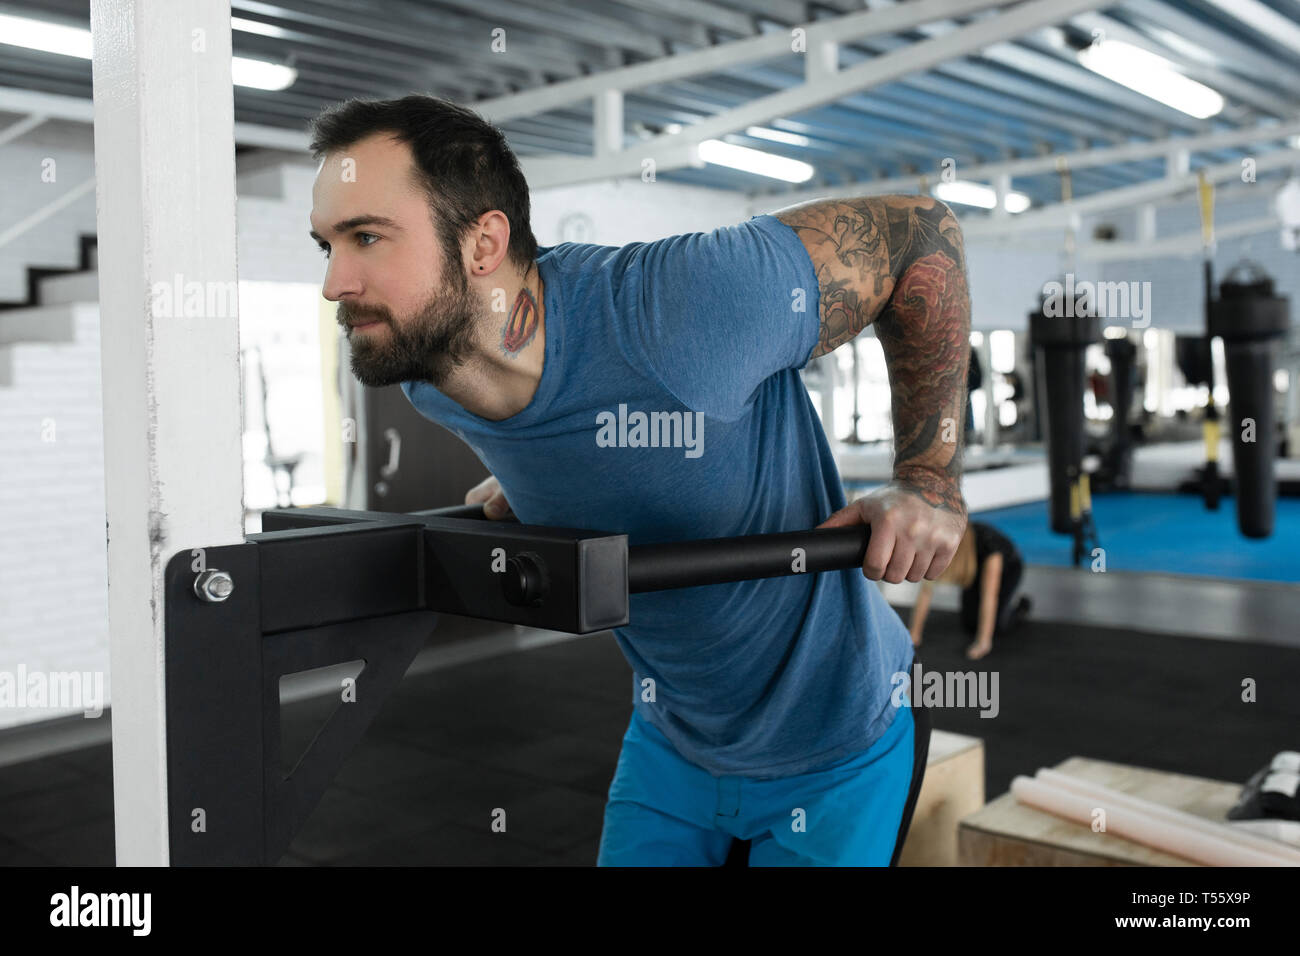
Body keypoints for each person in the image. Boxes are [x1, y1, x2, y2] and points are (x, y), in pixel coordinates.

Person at [308, 94, 971, 866]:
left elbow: (925, 234)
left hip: (837, 739)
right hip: (675, 739)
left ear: (483, 242)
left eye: (365, 238)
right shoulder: (434, 379)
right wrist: (538, 487)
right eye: (325, 244)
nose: (334, 281)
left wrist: (930, 478)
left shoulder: (681, 306)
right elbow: (583, 431)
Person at [908, 521, 1031, 660]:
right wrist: (915, 633)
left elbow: (989, 597)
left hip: (1008, 568)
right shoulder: (943, 546)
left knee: (997, 626)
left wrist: (983, 642)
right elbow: (926, 591)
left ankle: (1022, 607)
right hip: (973, 566)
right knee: (970, 624)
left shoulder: (991, 550)